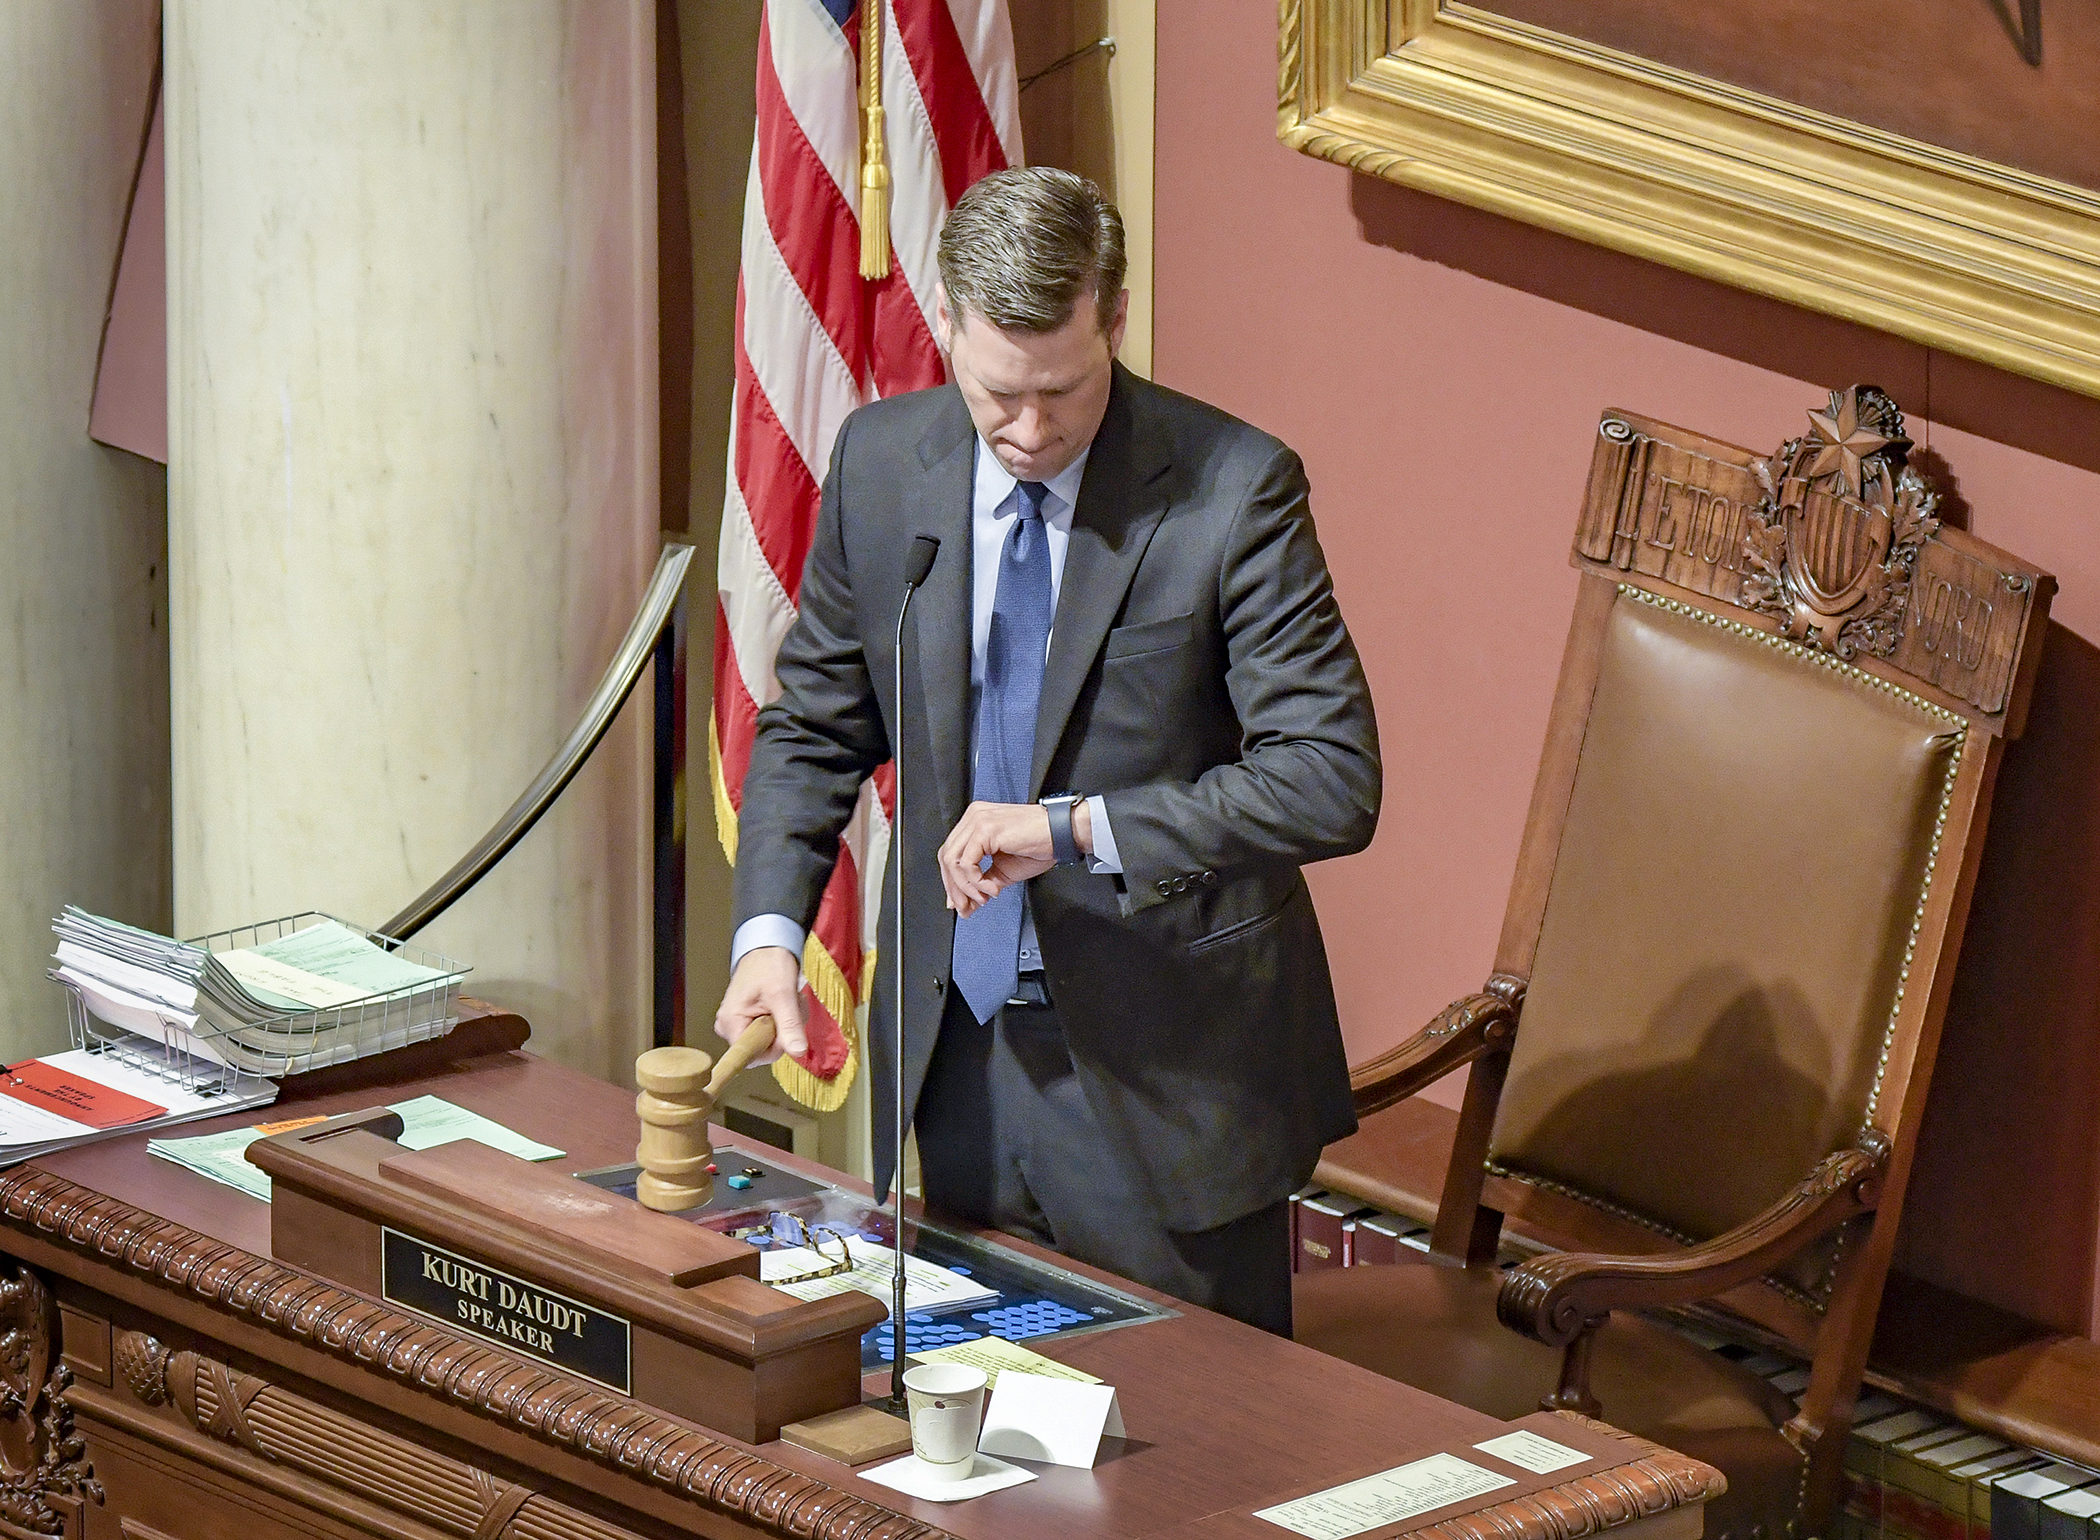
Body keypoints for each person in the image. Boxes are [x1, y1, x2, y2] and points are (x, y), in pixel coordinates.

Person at [716, 167, 1379, 1335]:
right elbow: (815, 719)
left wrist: (1076, 825)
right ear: (950, 325)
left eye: (1062, 393)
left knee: (1191, 1463)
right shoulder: (882, 464)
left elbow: (1330, 776)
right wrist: (770, 935)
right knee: (983, 1448)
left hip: (1166, 1071)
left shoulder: (1233, 489)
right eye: (995, 395)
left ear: (1112, 321)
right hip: (958, 1058)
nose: (1028, 432)